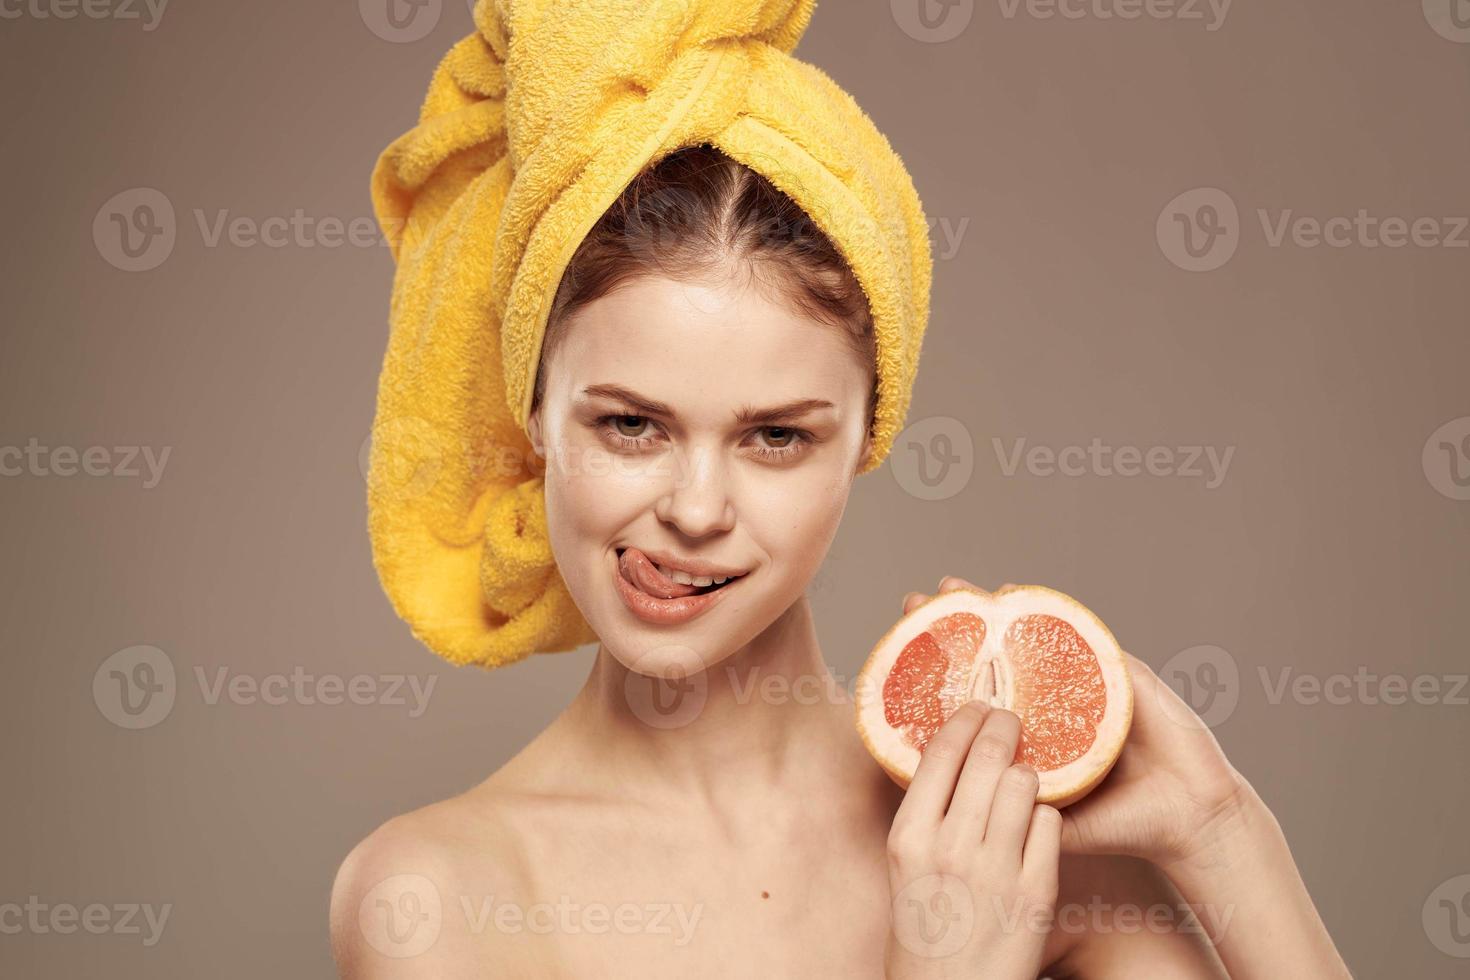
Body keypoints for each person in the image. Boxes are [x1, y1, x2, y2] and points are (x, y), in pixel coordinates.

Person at [332, 4, 1350, 976]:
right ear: (536, 412)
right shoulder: (437, 896)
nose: (694, 508)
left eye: (774, 436)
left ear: (869, 433)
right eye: (630, 424)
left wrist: (1224, 830)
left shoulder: (999, 832)